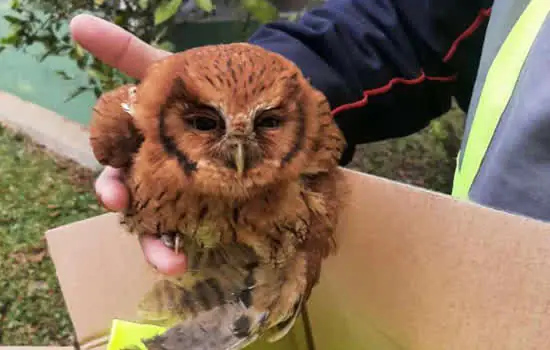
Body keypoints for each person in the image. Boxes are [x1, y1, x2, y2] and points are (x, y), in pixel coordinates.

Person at [70, 0, 549, 275]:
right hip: (483, 267)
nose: (238, 155)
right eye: (202, 124)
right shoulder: (148, 131)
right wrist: (272, 81)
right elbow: (411, 23)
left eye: (268, 124)